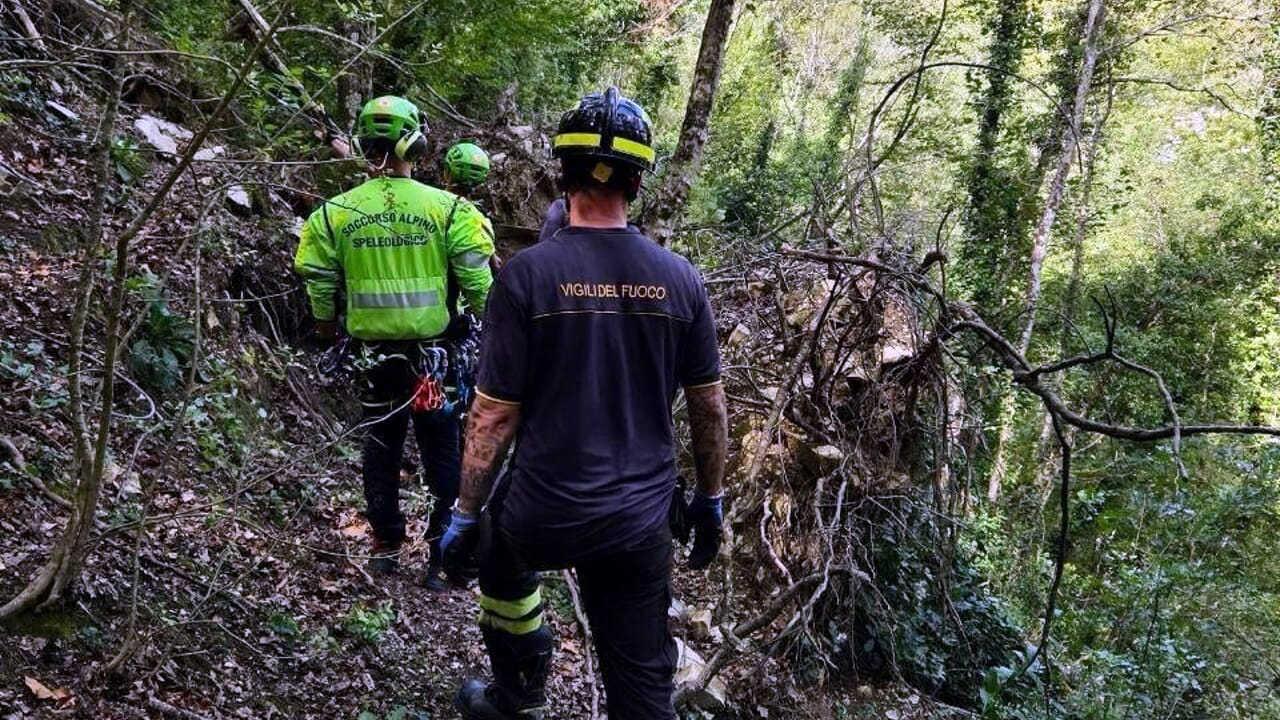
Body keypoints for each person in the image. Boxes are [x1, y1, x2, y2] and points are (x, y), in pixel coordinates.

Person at [440, 87, 729, 720]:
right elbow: (709, 408)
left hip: (540, 513)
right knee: (641, 691)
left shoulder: (526, 275)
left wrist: (464, 513)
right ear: (638, 182)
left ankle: (518, 690)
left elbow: (493, 415)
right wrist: (710, 500)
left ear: (563, 173)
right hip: (637, 522)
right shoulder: (680, 279)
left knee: (496, 558)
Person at [294, 96, 494, 590]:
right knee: (441, 453)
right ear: (416, 144)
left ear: (364, 143)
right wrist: (495, 333)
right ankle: (440, 555)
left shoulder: (334, 213)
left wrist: (326, 327)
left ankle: (386, 545)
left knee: (381, 448)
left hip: (373, 358)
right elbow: (479, 285)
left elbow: (318, 278)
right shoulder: (450, 211)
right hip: (435, 360)